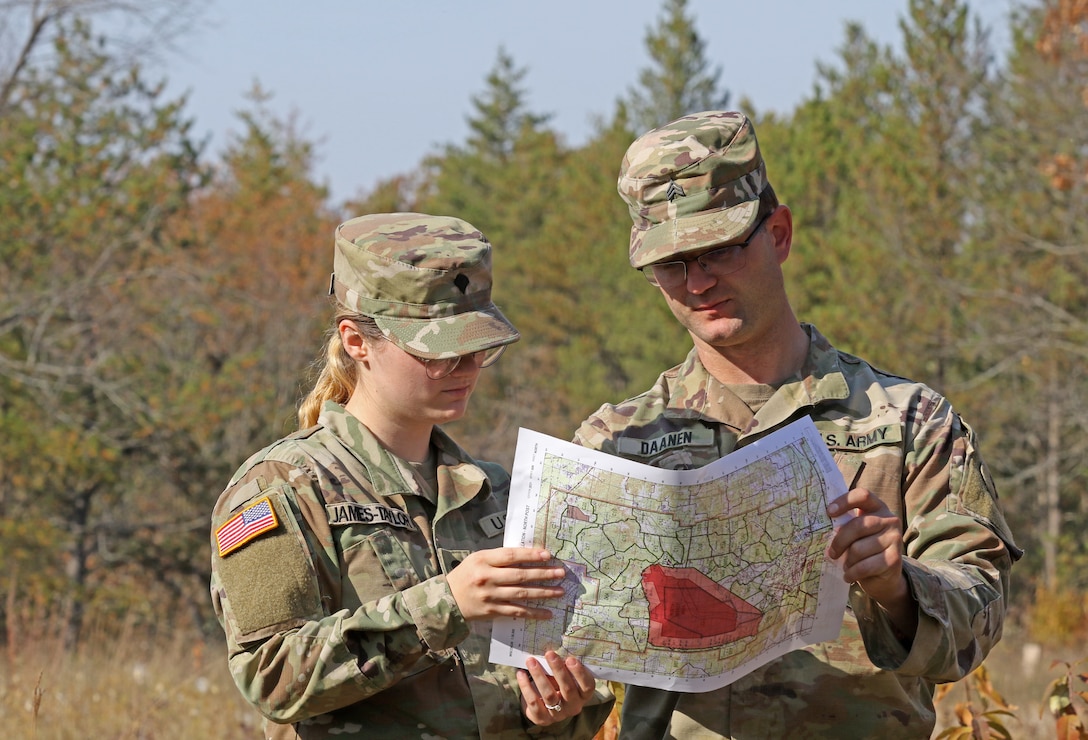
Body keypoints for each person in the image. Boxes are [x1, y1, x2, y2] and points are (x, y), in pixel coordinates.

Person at [572, 111, 1021, 739]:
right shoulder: (614, 447)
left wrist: (898, 588)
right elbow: (573, 664)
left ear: (777, 234)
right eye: (672, 264)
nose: (698, 282)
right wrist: (552, 690)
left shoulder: (909, 421)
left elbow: (981, 617)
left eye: (720, 250)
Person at [209, 213, 614, 739]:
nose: (465, 367)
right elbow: (272, 676)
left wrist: (553, 713)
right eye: (437, 352)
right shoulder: (281, 488)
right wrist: (446, 604)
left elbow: (521, 686)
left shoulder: (500, 493)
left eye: (477, 347)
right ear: (356, 341)